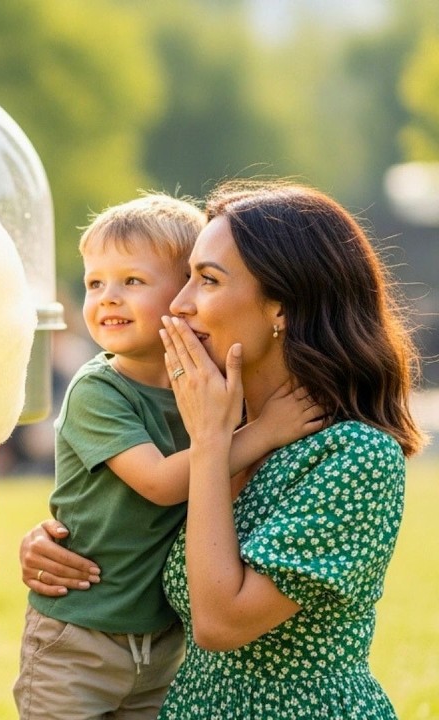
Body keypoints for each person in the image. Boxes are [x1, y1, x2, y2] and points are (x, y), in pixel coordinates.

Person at [12, 193, 322, 720]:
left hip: (161, 643)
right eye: (94, 283)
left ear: (185, 293)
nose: (108, 298)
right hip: (79, 634)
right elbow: (158, 482)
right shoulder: (98, 390)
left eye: (132, 281)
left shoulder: (212, 385)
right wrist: (265, 432)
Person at [155, 181, 423, 718]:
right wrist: (60, 546)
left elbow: (220, 623)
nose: (179, 305)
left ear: (282, 307)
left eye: (208, 280)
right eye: (187, 278)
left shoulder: (356, 457)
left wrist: (210, 444)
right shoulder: (219, 428)